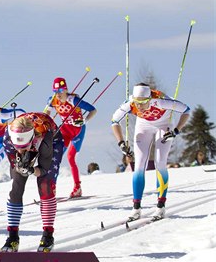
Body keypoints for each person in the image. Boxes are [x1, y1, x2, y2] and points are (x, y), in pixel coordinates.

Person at [111, 83, 190, 220]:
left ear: (149, 99)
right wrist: (121, 142)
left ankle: (160, 207)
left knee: (160, 163)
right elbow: (114, 121)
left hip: (164, 125)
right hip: (144, 125)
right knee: (139, 165)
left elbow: (186, 110)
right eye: (137, 102)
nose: (139, 106)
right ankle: (136, 209)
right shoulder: (130, 104)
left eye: (143, 102)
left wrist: (176, 130)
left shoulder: (161, 101)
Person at [0, 112, 64, 253]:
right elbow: (16, 167)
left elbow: (44, 170)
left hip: (52, 140)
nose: (20, 150)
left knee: (45, 186)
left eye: (24, 147)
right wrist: (23, 165)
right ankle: (12, 237)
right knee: (16, 186)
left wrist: (31, 170)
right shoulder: (8, 139)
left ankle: (48, 235)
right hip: (32, 140)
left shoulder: (45, 140)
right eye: (18, 147)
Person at [44, 77, 97, 198]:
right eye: (56, 92)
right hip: (65, 130)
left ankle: (77, 187)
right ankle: (52, 187)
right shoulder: (52, 100)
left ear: (66, 90)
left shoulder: (73, 100)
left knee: (71, 158)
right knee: (55, 157)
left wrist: (84, 120)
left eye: (60, 91)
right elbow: (46, 114)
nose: (58, 95)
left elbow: (93, 110)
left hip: (78, 131)